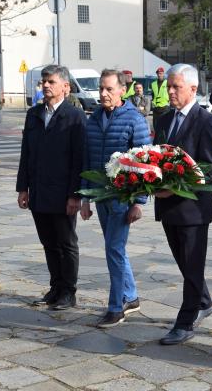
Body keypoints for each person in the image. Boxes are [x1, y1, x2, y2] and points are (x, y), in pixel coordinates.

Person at [153, 63, 212, 345]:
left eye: (176, 87)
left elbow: (210, 168)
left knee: (192, 266)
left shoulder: (207, 121)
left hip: (193, 208)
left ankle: (185, 322)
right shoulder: (163, 120)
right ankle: (203, 302)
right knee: (184, 263)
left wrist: (174, 188)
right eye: (169, 86)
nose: (170, 91)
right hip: (168, 207)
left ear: (193, 89)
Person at [81, 69, 152, 327]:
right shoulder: (94, 118)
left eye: (109, 89)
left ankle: (116, 307)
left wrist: (138, 202)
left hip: (123, 196)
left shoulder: (135, 119)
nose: (103, 94)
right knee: (116, 249)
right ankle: (131, 296)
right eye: (101, 88)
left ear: (123, 90)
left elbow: (145, 163)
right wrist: (85, 197)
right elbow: (87, 159)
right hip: (100, 195)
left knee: (113, 248)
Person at [16, 65, 86, 310]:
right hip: (39, 190)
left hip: (63, 192)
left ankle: (69, 291)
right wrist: (23, 187)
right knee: (48, 243)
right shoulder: (34, 114)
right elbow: (26, 153)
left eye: (51, 81)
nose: (46, 85)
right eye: (43, 81)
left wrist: (75, 194)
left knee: (66, 243)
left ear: (65, 87)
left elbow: (79, 158)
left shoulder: (75, 116)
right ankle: (55, 287)